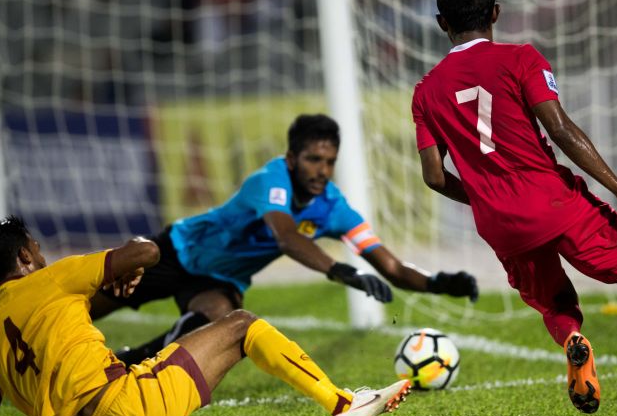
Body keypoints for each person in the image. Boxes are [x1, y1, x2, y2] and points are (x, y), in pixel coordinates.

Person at [411, 0, 617, 416]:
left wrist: (483, 197)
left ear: (442, 23)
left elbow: (434, 176)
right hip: (553, 201)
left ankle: (574, 338)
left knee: (555, 303)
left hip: (499, 223)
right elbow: (560, 129)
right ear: (495, 12)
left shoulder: (425, 91)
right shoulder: (520, 58)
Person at [0, 216, 411, 416]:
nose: (42, 253)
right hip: (121, 407)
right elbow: (149, 251)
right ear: (25, 256)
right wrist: (131, 265)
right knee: (240, 324)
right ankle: (343, 404)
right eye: (37, 248)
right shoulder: (54, 278)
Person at [91, 113, 479, 365]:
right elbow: (286, 237)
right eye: (313, 159)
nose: (322, 170)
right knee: (86, 309)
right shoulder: (270, 179)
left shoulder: (334, 208)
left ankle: (130, 362)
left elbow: (390, 266)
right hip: (177, 251)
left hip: (219, 281)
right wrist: (341, 271)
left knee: (222, 323)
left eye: (329, 161)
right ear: (292, 159)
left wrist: (439, 283)